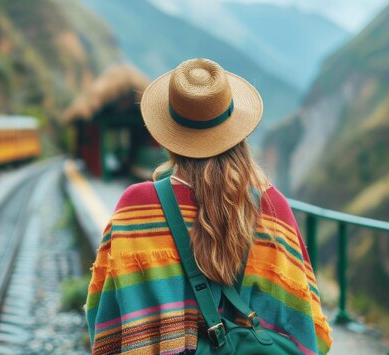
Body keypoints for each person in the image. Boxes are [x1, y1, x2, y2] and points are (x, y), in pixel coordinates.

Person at [86, 58, 332, 354]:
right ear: (236, 130)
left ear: (169, 134)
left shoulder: (136, 208)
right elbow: (310, 327)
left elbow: (102, 316)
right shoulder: (273, 208)